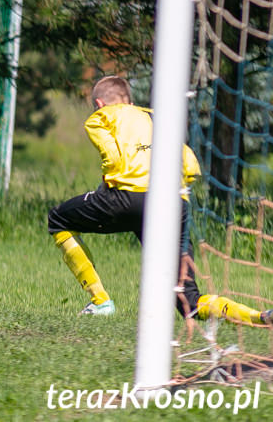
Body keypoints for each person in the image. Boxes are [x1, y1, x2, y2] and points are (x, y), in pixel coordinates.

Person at [48, 75, 272, 325]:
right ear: (130, 102)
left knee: (58, 219)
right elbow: (191, 167)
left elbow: (112, 157)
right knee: (188, 301)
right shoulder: (156, 117)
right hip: (175, 205)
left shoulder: (100, 117)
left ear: (100, 103)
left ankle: (100, 302)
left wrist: (113, 185)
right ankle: (259, 316)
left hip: (127, 196)